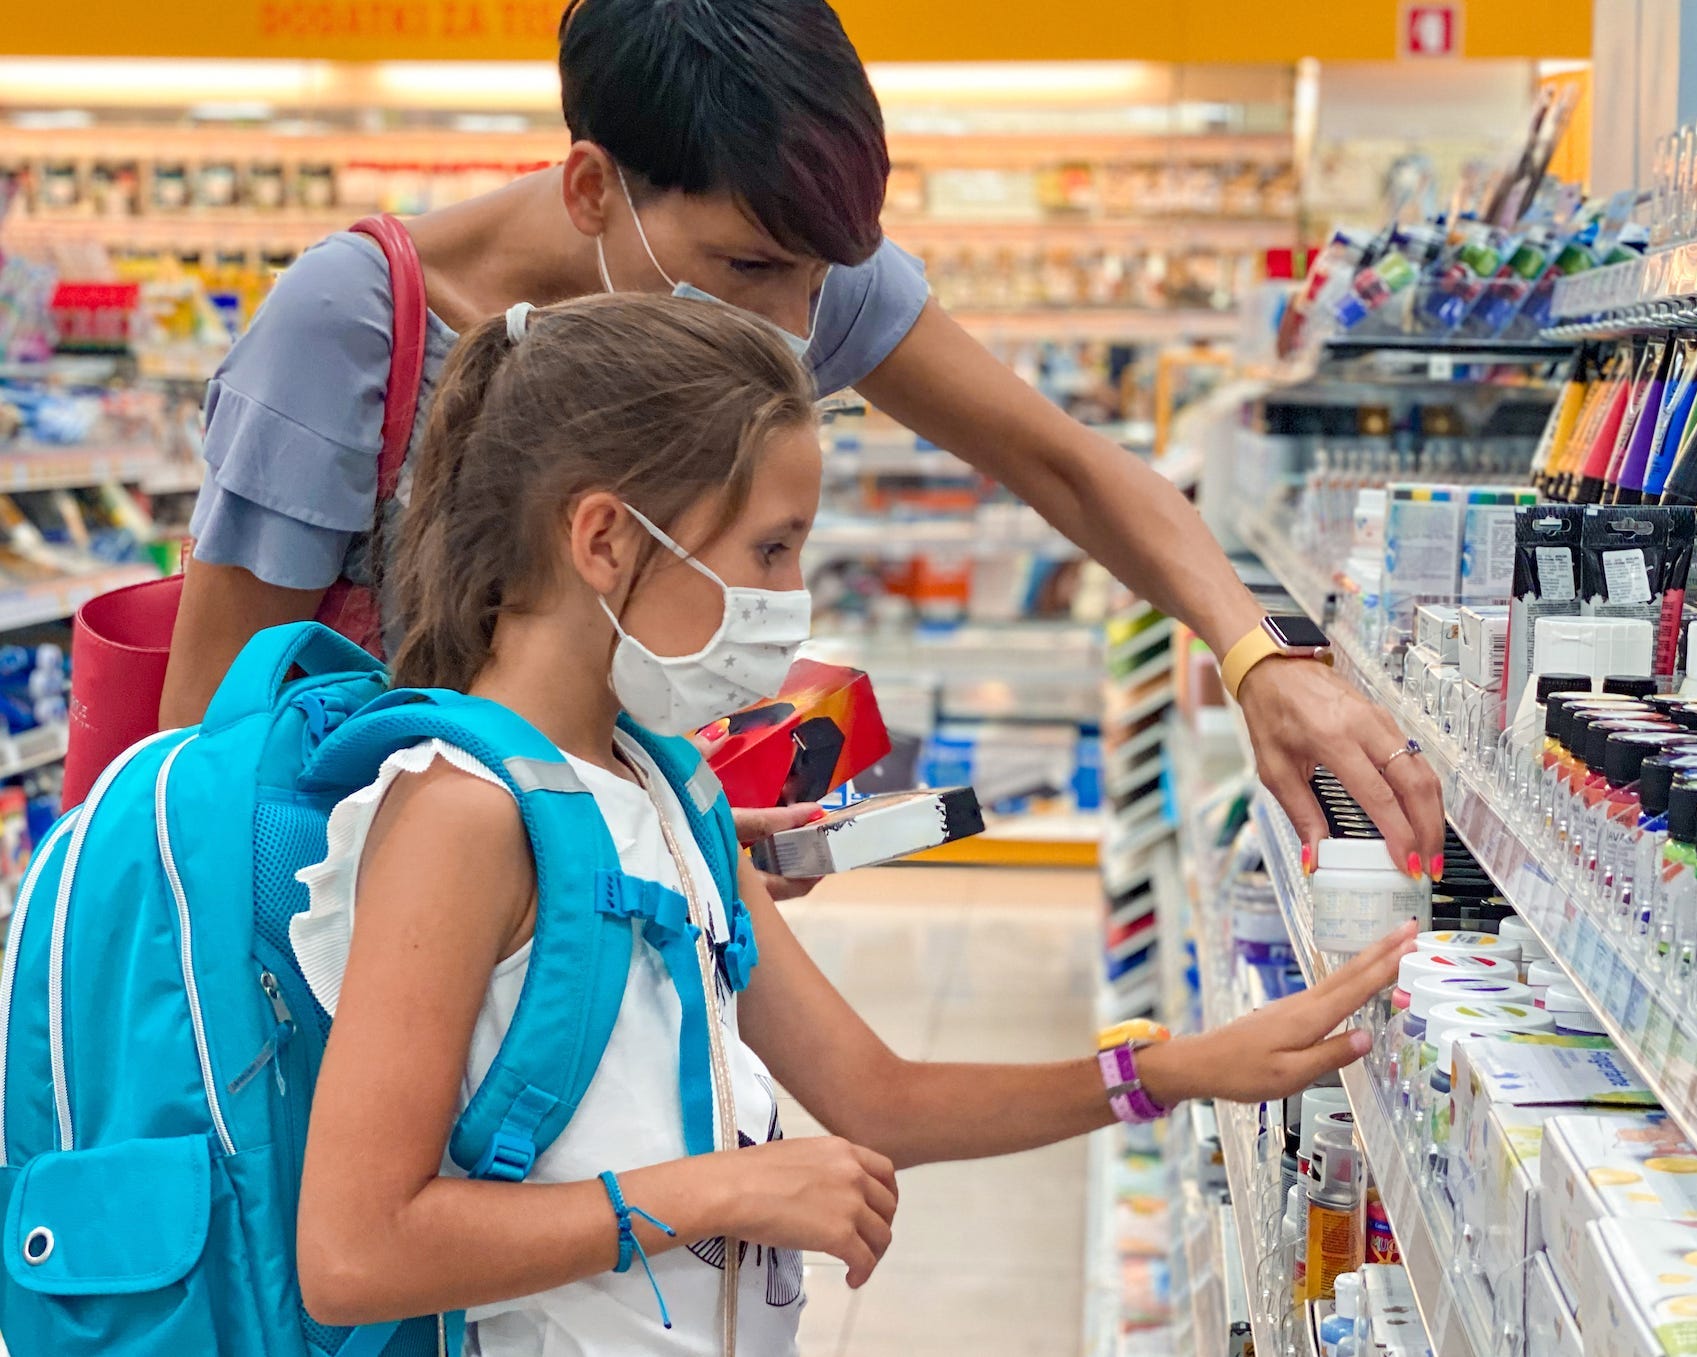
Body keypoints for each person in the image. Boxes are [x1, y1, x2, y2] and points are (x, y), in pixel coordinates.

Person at [291, 291, 1420, 1353]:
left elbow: (879, 1098)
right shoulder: (459, 814)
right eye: (771, 548)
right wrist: (720, 1188)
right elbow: (353, 1250)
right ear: (605, 540)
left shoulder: (663, 784)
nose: (791, 594)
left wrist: (1175, 1071)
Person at [157, 0, 1445, 883]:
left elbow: (1063, 461)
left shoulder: (806, 280)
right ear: (595, 187)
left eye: (824, 276)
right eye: (749, 265)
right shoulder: (355, 324)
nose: (791, 330)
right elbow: (201, 746)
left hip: (585, 916)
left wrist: (1256, 653)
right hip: (356, 926)